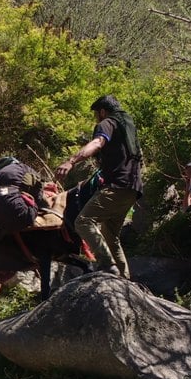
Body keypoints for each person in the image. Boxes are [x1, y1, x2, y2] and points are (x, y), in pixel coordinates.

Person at [55, 94, 143, 278]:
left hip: (117, 186)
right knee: (110, 235)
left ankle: (106, 264)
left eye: (96, 114)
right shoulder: (128, 127)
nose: (96, 118)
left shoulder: (107, 123)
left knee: (83, 222)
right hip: (133, 189)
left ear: (102, 111)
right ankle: (123, 278)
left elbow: (97, 142)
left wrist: (71, 161)